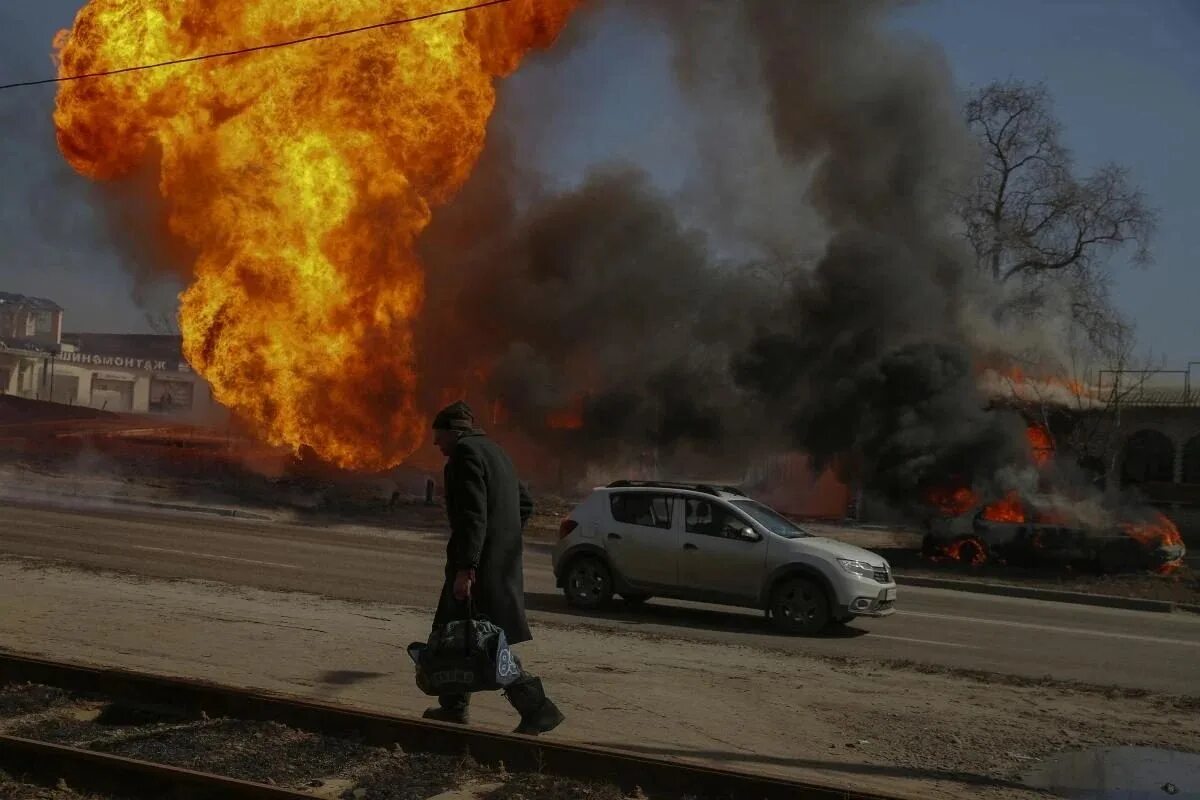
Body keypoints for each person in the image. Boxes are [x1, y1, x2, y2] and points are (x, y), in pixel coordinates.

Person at [423, 400, 565, 736]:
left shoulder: (465, 455)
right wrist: (505, 540)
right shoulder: (496, 452)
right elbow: (525, 504)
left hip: (477, 569)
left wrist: (466, 569)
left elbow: (473, 517)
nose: (435, 444)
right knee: (457, 635)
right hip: (499, 565)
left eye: (438, 436)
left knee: (479, 641)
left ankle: (538, 708)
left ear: (454, 431)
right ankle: (453, 706)